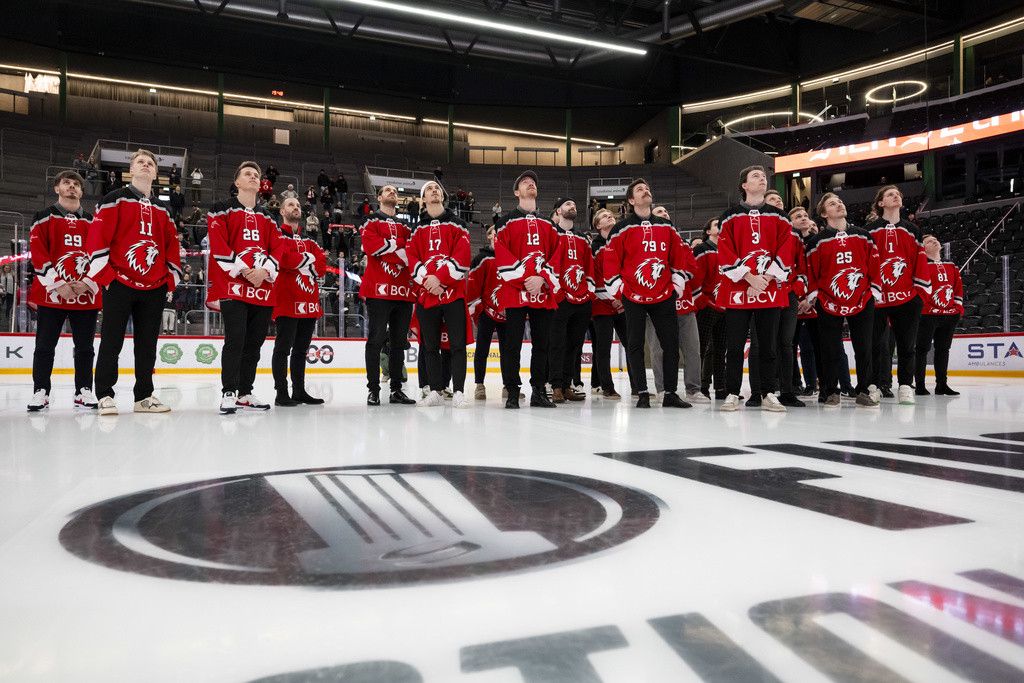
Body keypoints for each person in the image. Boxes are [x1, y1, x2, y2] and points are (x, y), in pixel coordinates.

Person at [85, 149, 182, 415]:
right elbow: (97, 239)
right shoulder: (114, 199)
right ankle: (104, 394)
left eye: (150, 163)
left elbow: (171, 246)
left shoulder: (163, 209)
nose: (146, 165)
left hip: (154, 286)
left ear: (155, 172)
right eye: (140, 161)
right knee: (111, 341)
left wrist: (169, 280)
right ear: (131, 168)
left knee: (147, 344)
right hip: (119, 282)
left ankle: (144, 396)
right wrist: (106, 278)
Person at [602, 179, 694, 409]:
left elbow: (678, 256)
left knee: (671, 344)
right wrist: (619, 291)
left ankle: (670, 392)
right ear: (631, 200)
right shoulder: (621, 228)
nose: (646, 192)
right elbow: (611, 262)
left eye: (648, 189)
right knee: (634, 343)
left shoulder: (666, 226)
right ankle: (642, 391)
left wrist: (676, 286)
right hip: (632, 295)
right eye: (640, 190)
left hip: (664, 294)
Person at [207, 161, 288, 415]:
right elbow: (219, 242)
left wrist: (264, 272)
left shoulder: (269, 217)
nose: (253, 178)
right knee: (236, 339)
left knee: (254, 342)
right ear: (237, 182)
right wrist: (244, 270)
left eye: (256, 175)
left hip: (262, 287)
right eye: (248, 174)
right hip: (234, 285)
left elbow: (278, 247)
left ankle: (245, 392)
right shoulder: (221, 209)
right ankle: (229, 392)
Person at [716, 167, 794, 412]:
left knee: (768, 346)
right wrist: (750, 278)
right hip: (739, 289)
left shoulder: (780, 216)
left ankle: (768, 392)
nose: (762, 178)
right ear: (744, 186)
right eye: (755, 177)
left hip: (769, 287)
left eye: (763, 176)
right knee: (735, 345)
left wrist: (766, 278)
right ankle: (731, 392)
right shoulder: (729, 216)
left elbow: (786, 248)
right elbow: (725, 251)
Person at [26, 170, 100, 411]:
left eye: (76, 184)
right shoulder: (42, 217)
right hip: (52, 293)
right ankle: (41, 390)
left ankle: (83, 390)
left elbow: (101, 256)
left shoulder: (93, 221)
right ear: (57, 188)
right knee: (45, 346)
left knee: (86, 348)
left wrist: (87, 282)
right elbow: (38, 253)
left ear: (81, 191)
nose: (72, 187)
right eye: (66, 183)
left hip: (85, 294)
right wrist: (58, 284)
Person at [805, 192, 881, 407]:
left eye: (839, 202)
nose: (839, 205)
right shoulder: (816, 241)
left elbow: (874, 263)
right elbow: (812, 271)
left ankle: (865, 389)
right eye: (832, 203)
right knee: (829, 347)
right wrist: (815, 294)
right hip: (828, 298)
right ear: (823, 213)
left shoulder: (864, 235)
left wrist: (874, 288)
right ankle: (831, 390)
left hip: (863, 296)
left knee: (864, 346)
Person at [493, 171, 560, 409]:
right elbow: (501, 255)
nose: (530, 183)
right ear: (516, 192)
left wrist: (541, 278)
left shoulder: (549, 225)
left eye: (533, 182)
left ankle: (539, 390)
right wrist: (526, 279)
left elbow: (557, 257)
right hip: (515, 291)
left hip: (542, 290)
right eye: (524, 182)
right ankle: (512, 391)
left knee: (542, 343)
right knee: (512, 344)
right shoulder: (505, 222)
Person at [407, 179, 472, 408]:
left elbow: (462, 254)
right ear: (423, 199)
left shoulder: (458, 224)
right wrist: (428, 280)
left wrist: (441, 280)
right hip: (427, 294)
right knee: (430, 345)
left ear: (442, 196)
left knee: (457, 345)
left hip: (452, 293)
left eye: (437, 189)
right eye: (429, 190)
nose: (434, 191)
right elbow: (412, 258)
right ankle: (434, 390)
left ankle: (459, 391)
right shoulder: (417, 229)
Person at [865, 185, 929, 404]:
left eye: (898, 194)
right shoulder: (869, 231)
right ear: (880, 203)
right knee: (875, 346)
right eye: (890, 194)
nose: (896, 196)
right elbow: (866, 263)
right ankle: (873, 386)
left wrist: (919, 291)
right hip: (877, 298)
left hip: (907, 297)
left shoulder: (913, 229)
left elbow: (920, 260)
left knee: (906, 345)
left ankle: (904, 385)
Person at [358, 184, 417, 406]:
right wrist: (397, 248)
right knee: (375, 339)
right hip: (378, 290)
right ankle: (373, 389)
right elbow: (370, 246)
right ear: (379, 196)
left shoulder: (406, 226)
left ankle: (396, 389)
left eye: (394, 191)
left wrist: (391, 249)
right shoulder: (370, 221)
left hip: (402, 292)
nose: (392, 193)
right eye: (387, 190)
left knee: (399, 342)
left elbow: (411, 251)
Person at [747, 189, 805, 407]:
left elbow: (801, 266)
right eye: (772, 200)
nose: (777, 202)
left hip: (787, 294)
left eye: (780, 199)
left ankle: (787, 390)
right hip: (762, 293)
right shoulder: (758, 231)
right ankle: (757, 391)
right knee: (759, 343)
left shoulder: (793, 234)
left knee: (786, 344)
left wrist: (798, 290)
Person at [645, 205, 707, 404]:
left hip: (684, 305)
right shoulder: (646, 243)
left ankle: (694, 389)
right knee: (658, 351)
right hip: (655, 306)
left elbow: (691, 268)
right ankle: (663, 389)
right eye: (659, 213)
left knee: (692, 349)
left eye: (665, 212)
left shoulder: (681, 242)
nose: (664, 214)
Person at [272, 197, 327, 406]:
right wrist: (308, 260)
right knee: (283, 348)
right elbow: (283, 260)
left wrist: (301, 262)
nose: (295, 207)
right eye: (290, 205)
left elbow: (321, 266)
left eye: (297, 205)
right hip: (286, 300)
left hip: (309, 301)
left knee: (301, 350)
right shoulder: (277, 236)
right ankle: (281, 392)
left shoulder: (311, 241)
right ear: (282, 211)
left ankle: (299, 391)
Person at [548, 197, 595, 403]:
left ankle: (567, 385)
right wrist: (557, 291)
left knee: (574, 344)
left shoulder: (582, 239)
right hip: (560, 297)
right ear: (558, 211)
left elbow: (589, 266)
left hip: (582, 298)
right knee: (557, 343)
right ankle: (555, 385)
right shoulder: (550, 234)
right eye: (567, 204)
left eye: (574, 204)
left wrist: (590, 291)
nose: (572, 206)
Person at [915, 234, 963, 396]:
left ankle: (942, 384)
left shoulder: (951, 265)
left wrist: (957, 309)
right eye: (929, 241)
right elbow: (919, 290)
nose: (934, 241)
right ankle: (920, 385)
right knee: (922, 349)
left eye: (936, 239)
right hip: (927, 315)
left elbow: (958, 288)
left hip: (949, 315)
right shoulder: (920, 266)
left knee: (943, 350)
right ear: (923, 248)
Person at [590, 208, 628, 399]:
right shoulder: (594, 248)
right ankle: (607, 387)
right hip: (601, 305)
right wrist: (613, 299)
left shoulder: (622, 241)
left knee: (632, 344)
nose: (610, 216)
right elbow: (595, 278)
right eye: (604, 216)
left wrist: (622, 299)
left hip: (621, 302)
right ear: (598, 226)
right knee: (603, 348)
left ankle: (638, 386)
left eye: (610, 215)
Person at [467, 226, 508, 401]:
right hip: (486, 310)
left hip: (508, 312)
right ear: (489, 235)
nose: (498, 235)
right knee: (482, 349)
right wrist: (477, 305)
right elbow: (474, 285)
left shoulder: (511, 259)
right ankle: (479, 385)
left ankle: (509, 385)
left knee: (509, 350)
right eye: (494, 232)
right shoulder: (481, 258)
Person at [789, 206, 822, 397]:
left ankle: (817, 383)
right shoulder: (789, 242)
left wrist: (811, 298)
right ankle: (795, 384)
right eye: (798, 216)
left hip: (813, 301)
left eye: (805, 216)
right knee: (791, 346)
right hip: (793, 301)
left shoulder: (816, 242)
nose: (804, 219)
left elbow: (819, 273)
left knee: (813, 347)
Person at [694, 218, 726, 400]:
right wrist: (702, 300)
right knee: (702, 347)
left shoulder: (728, 250)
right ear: (708, 231)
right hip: (706, 305)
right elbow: (696, 277)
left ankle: (720, 388)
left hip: (725, 306)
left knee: (721, 349)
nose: (720, 226)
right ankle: (701, 387)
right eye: (716, 225)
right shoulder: (701, 249)